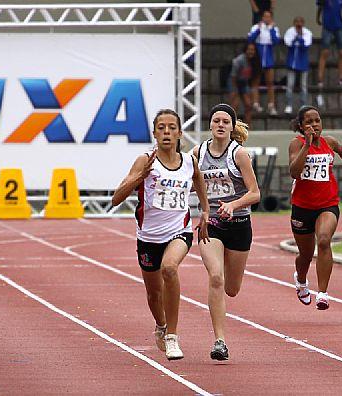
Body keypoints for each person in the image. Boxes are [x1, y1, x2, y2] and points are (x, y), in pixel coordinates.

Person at [112, 109, 210, 361]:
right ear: (155, 133)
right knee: (154, 294)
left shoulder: (189, 161)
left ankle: (172, 337)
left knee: (169, 269)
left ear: (179, 132)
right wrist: (138, 178)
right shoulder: (145, 161)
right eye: (161, 128)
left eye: (171, 128)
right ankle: (161, 325)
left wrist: (205, 210)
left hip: (179, 230)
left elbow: (198, 179)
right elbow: (116, 198)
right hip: (148, 237)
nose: (167, 132)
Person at [190, 104, 260, 361]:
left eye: (225, 122)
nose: (220, 125)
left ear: (232, 127)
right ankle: (220, 341)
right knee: (216, 277)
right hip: (212, 226)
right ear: (210, 125)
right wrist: (202, 209)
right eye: (216, 120)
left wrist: (233, 204)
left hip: (240, 225)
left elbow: (255, 193)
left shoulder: (239, 154)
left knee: (231, 288)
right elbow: (187, 181)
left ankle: (221, 335)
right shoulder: (197, 153)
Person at [288, 106, 342, 310]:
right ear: (301, 126)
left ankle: (322, 293)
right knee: (305, 254)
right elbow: (294, 172)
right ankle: (301, 279)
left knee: (323, 240)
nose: (314, 125)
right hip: (302, 207)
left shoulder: (329, 142)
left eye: (317, 121)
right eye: (309, 122)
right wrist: (307, 145)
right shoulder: (296, 144)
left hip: (327, 204)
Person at [316, 0, 342, 106]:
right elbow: (320, 7)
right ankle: (320, 80)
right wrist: (317, 18)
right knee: (325, 52)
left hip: (339, 26)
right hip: (327, 26)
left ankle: (341, 79)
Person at [248, 10, 281, 116]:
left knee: (270, 82)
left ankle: (271, 105)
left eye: (268, 17)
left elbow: (276, 41)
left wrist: (271, 29)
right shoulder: (256, 27)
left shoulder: (274, 28)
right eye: (265, 16)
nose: (266, 19)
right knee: (255, 81)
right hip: (258, 57)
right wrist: (258, 29)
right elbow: (250, 39)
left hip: (269, 57)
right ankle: (255, 103)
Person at [283, 16, 313, 115]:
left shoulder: (307, 32)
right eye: (297, 22)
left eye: (300, 22)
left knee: (303, 85)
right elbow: (288, 43)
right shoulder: (290, 31)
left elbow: (306, 45)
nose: (299, 24)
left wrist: (300, 38)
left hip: (303, 62)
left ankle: (303, 105)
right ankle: (289, 105)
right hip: (292, 62)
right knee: (290, 85)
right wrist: (295, 37)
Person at [229, 42, 262, 127]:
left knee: (248, 105)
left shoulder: (255, 61)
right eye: (249, 50)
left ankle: (248, 126)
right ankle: (232, 127)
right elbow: (233, 76)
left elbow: (255, 79)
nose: (251, 52)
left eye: (253, 50)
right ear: (245, 50)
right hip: (235, 83)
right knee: (234, 106)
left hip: (244, 83)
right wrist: (234, 91)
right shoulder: (239, 61)